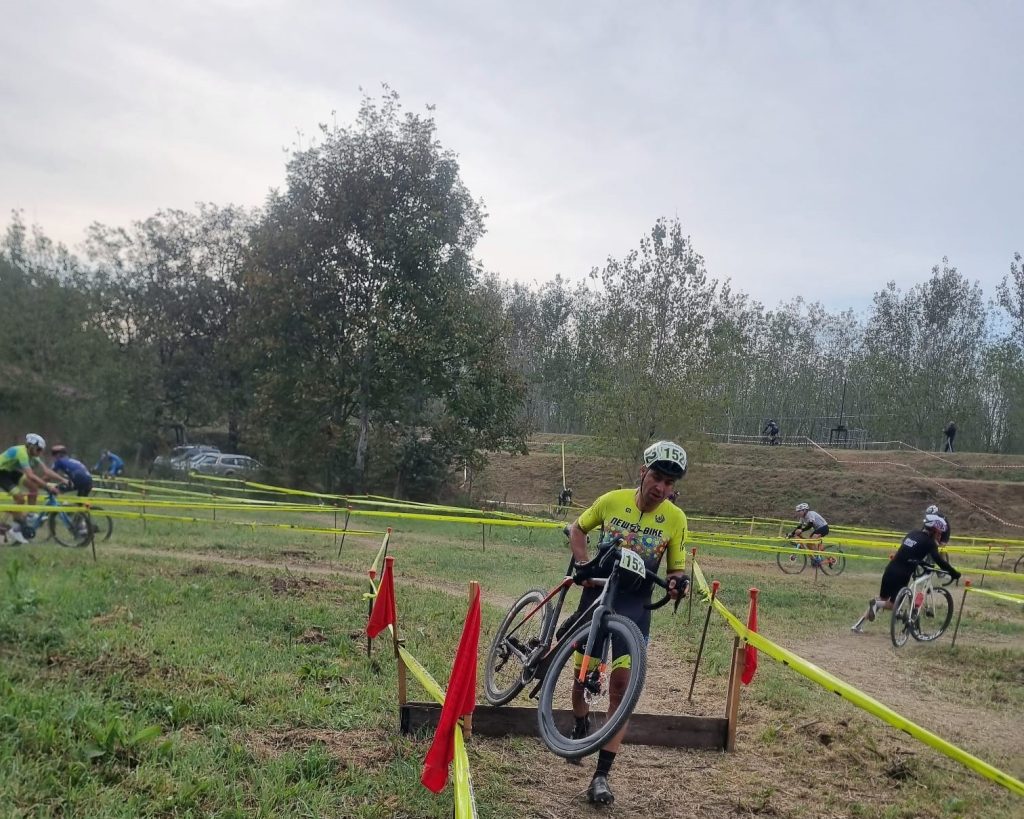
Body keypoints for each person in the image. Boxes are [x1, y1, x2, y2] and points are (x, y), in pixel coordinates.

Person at [565, 440, 690, 805]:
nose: (662, 489)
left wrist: (677, 584)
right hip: (597, 597)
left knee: (621, 690)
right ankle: (579, 724)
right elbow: (577, 529)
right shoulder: (611, 500)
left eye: (669, 484)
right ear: (643, 473)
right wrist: (584, 566)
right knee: (581, 679)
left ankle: (601, 776)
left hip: (635, 608)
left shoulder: (676, 519)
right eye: (657, 478)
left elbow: (676, 570)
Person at [851, 514, 960, 632]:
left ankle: (858, 625)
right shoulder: (930, 543)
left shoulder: (912, 533)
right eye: (939, 533)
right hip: (902, 574)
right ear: (934, 530)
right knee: (893, 605)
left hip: (890, 568)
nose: (940, 536)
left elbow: (910, 552)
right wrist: (954, 573)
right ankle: (877, 604)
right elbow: (939, 561)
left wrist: (921, 563)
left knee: (883, 598)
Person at [0, 434, 62, 543]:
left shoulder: (33, 454)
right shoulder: (22, 452)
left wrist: (63, 479)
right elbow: (31, 475)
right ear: (31, 446)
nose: (39, 453)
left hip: (10, 471)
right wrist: (48, 487)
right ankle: (17, 528)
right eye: (38, 450)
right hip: (1, 473)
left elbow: (46, 471)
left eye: (41, 450)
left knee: (33, 487)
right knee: (20, 498)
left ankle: (30, 515)